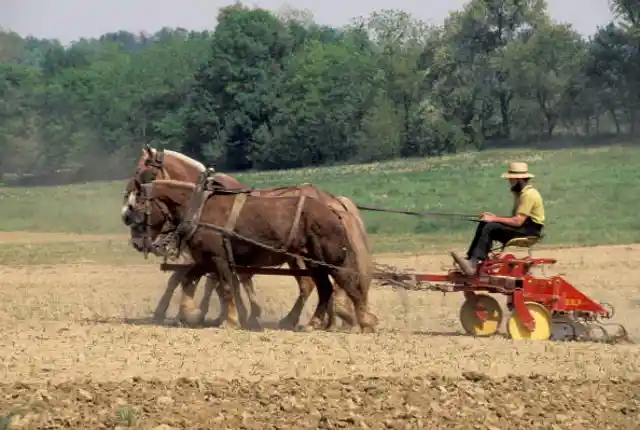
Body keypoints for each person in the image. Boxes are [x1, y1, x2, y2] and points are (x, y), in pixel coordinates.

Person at [451, 161, 545, 276]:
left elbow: (518, 221)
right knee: (485, 224)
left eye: (511, 180)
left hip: (529, 230)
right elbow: (516, 219)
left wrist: (493, 219)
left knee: (490, 226)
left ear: (518, 180)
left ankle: (474, 263)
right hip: (523, 227)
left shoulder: (528, 194)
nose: (510, 182)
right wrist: (493, 218)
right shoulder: (521, 194)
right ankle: (472, 259)